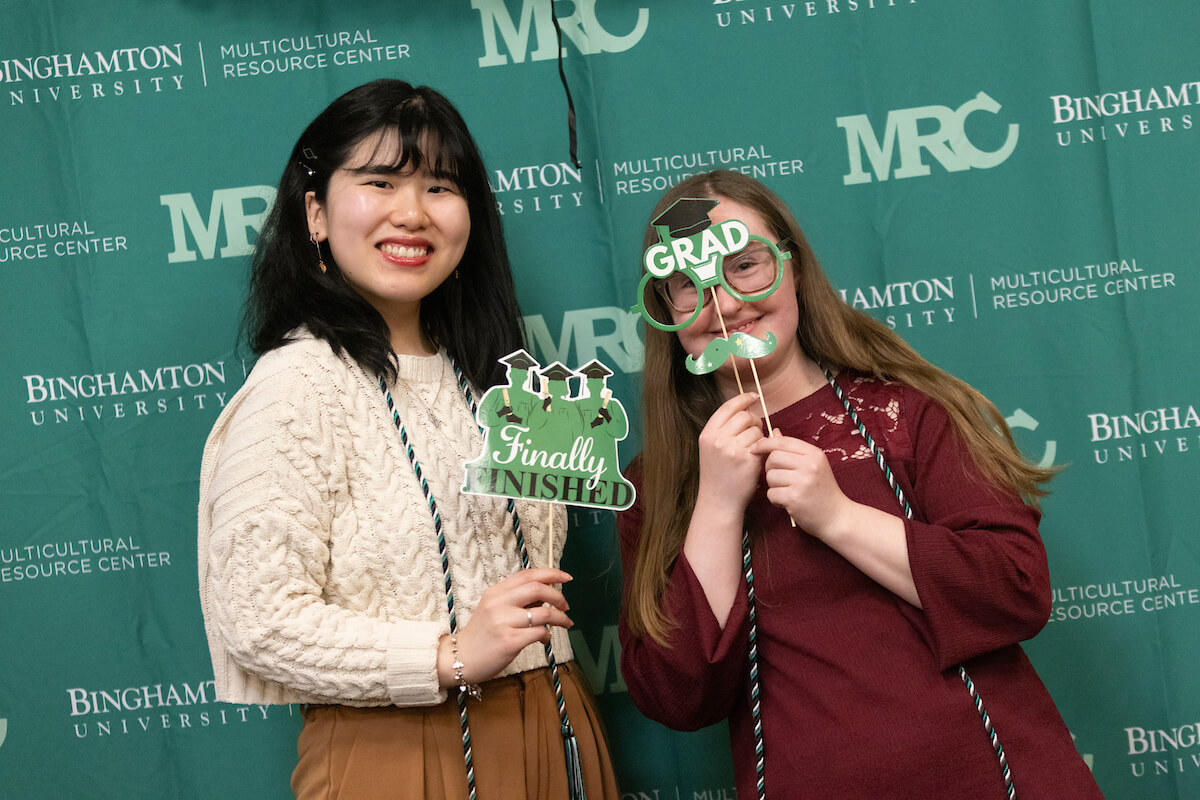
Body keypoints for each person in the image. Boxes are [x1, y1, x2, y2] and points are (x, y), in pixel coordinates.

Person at [618, 170, 1104, 799]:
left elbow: (1015, 588)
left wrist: (837, 516)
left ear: (793, 267)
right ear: (664, 310)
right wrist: (715, 506)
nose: (726, 303)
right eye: (689, 284)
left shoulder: (908, 412)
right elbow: (675, 695)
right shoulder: (654, 488)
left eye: (745, 265)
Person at [197, 79, 618, 800]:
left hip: (555, 723)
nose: (413, 213)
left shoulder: (494, 378)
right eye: (380, 181)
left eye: (440, 186)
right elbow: (258, 619)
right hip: (400, 747)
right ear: (315, 213)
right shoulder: (297, 385)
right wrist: (447, 654)